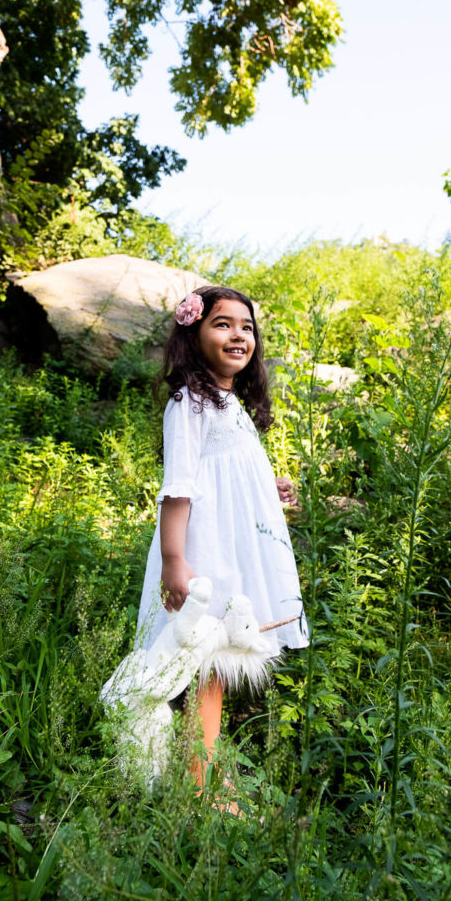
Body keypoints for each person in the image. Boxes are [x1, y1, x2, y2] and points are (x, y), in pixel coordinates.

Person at [135, 284, 309, 803]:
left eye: (246, 327)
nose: (238, 335)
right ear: (194, 334)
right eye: (222, 324)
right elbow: (179, 487)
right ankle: (202, 788)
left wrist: (268, 487)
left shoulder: (229, 402)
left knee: (220, 663)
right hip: (205, 548)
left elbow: (227, 471)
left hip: (233, 544)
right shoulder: (188, 402)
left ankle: (204, 772)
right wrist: (173, 561)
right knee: (207, 663)